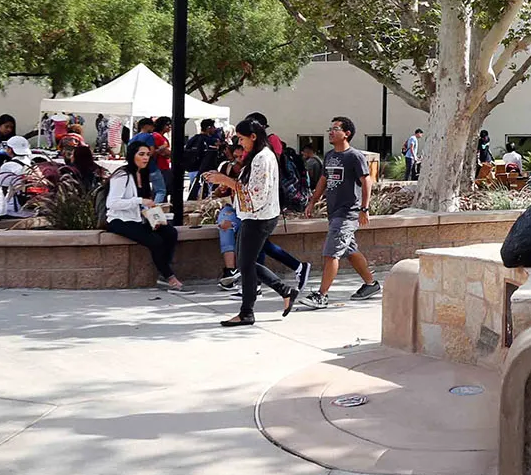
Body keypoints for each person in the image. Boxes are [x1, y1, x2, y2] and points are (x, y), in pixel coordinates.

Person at [205, 120, 294, 326]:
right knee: (246, 263)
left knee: (245, 264)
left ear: (253, 136)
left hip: (259, 217)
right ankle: (283, 291)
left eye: (242, 138)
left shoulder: (262, 158)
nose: (240, 143)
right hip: (253, 216)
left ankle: (247, 312)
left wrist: (225, 180)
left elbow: (256, 194)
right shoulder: (258, 156)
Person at [303, 115, 381, 307]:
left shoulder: (355, 156)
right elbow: (323, 180)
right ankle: (371, 284)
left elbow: (366, 181)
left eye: (335, 129)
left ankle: (322, 295)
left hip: (348, 213)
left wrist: (364, 208)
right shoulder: (330, 156)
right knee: (350, 251)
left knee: (332, 253)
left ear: (346, 134)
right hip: (334, 211)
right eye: (330, 128)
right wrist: (312, 202)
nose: (331, 131)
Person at [105, 141, 185, 291]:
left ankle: (163, 271)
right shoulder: (122, 175)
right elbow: (113, 203)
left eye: (148, 154)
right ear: (132, 155)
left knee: (170, 232)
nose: (145, 158)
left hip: (139, 218)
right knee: (155, 241)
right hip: (119, 220)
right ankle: (169, 277)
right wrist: (140, 201)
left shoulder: (143, 173)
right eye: (141, 154)